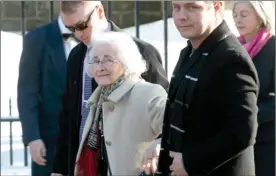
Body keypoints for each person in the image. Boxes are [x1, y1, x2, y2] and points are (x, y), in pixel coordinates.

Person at [142, 1, 259, 176]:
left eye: (192, 7)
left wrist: (190, 162)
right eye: (176, 7)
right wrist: (161, 142)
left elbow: (242, 131)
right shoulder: (189, 52)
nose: (181, 16)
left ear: (217, 7)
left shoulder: (231, 58)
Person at [52, 1, 169, 176]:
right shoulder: (76, 56)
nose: (78, 34)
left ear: (99, 11)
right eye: (71, 29)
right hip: (85, 163)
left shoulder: (140, 50)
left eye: (82, 25)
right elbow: (69, 115)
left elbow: (166, 115)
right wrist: (60, 168)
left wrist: (159, 146)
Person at [74, 31, 167, 176]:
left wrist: (158, 145)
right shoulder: (99, 98)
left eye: (108, 60)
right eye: (96, 60)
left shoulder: (149, 93)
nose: (100, 67)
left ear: (126, 61)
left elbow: (176, 133)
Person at [17, 15, 78, 175]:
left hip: (86, 142)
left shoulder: (94, 36)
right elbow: (27, 91)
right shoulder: (37, 38)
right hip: (50, 142)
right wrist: (32, 137)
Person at [233, 2, 275, 176]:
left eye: (244, 14)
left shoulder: (273, 48)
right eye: (235, 15)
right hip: (236, 139)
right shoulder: (234, 47)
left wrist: (248, 117)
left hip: (267, 141)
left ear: (260, 15)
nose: (238, 20)